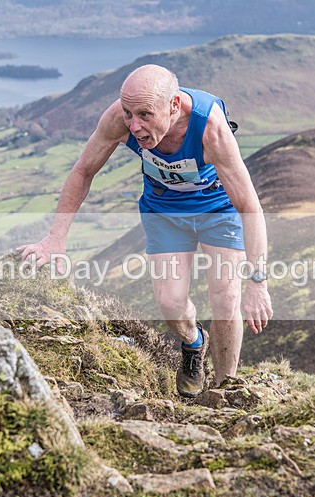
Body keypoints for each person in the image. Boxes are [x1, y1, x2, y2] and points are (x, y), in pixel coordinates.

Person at [17, 64, 273, 398]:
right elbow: (83, 171)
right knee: (170, 304)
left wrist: (258, 283)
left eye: (145, 115)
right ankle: (194, 343)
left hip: (217, 209)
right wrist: (56, 237)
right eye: (129, 113)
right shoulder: (118, 119)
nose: (134, 126)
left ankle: (225, 390)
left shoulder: (210, 129)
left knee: (226, 298)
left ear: (174, 106)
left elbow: (250, 206)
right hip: (164, 210)